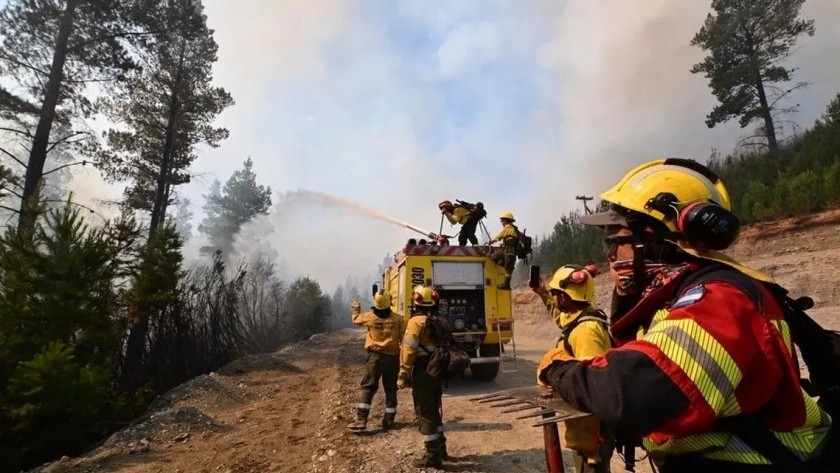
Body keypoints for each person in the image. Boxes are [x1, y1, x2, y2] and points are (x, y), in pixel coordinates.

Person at [537, 158, 831, 473]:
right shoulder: (674, 299)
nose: (608, 254)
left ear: (653, 239)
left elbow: (635, 392)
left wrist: (557, 369)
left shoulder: (721, 299)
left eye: (614, 240)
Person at [533, 264, 613, 473]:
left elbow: (591, 385)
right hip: (588, 431)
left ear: (564, 296)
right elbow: (562, 319)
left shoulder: (586, 332)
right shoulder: (581, 317)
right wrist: (543, 293)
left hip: (592, 434)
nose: (555, 298)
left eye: (555, 293)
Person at [397, 285, 447, 468]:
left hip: (423, 370)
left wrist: (403, 374)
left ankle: (433, 457)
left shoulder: (415, 322)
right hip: (438, 369)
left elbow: (408, 351)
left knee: (425, 412)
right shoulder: (439, 320)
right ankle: (441, 449)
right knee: (434, 408)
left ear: (416, 301)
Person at [347, 290, 405, 432]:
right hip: (392, 358)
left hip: (375, 358)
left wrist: (356, 307)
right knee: (391, 388)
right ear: (389, 302)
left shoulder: (370, 317)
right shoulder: (398, 319)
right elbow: (403, 339)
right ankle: (389, 421)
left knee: (368, 387)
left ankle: (361, 420)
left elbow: (356, 319)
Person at [488, 211, 519, 290]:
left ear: (507, 220)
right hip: (507, 249)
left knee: (508, 267)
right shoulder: (512, 228)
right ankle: (506, 284)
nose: (501, 222)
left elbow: (500, 235)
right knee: (496, 259)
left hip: (509, 250)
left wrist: (492, 241)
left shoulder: (508, 227)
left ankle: (506, 284)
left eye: (502, 220)